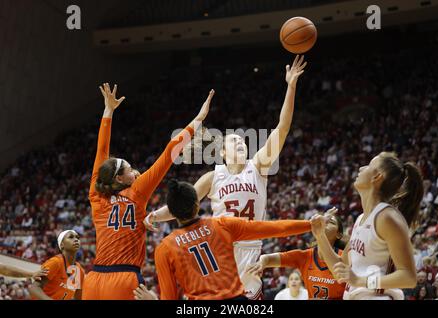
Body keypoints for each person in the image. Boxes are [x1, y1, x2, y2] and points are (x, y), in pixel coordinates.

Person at [146, 55, 308, 299]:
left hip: (251, 249)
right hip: (220, 250)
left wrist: (291, 86)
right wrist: (155, 216)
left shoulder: (259, 166)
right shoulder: (213, 177)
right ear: (222, 152)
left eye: (243, 140)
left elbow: (282, 129)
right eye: (234, 141)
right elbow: (183, 204)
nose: (241, 142)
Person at [82, 83, 214, 300]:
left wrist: (108, 111)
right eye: (130, 169)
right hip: (123, 280)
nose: (135, 171)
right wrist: (198, 121)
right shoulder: (137, 191)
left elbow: (101, 151)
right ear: (119, 179)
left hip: (93, 280)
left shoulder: (96, 194)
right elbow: (170, 151)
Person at [153, 179, 312, 300]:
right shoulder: (222, 225)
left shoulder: (165, 248)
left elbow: (169, 297)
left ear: (172, 214)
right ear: (197, 205)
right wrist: (310, 225)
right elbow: (276, 228)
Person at [311, 152, 424, 300]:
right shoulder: (360, 219)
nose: (361, 168)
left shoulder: (387, 217)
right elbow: (339, 269)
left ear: (377, 177)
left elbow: (408, 277)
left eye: (369, 165)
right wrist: (320, 236)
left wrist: (360, 281)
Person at [247, 209, 345, 299]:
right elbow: (267, 258)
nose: (324, 223)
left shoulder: (346, 258)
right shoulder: (304, 256)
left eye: (330, 222)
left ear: (339, 234)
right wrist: (261, 263)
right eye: (323, 220)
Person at [29, 230, 84, 300]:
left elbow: (79, 297)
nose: (76, 239)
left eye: (78, 238)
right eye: (71, 237)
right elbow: (34, 288)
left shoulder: (80, 271)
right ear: (62, 245)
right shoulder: (55, 262)